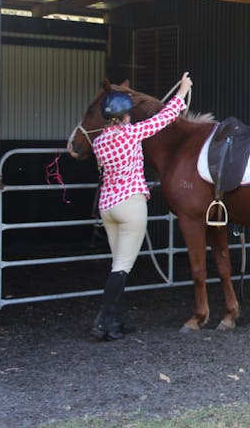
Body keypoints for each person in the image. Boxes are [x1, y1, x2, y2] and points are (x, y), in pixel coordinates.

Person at [90, 72, 193, 341]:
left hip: (108, 206)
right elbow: (165, 118)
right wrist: (182, 91)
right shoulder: (131, 134)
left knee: (118, 265)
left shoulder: (99, 142)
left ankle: (116, 320)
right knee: (122, 267)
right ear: (127, 116)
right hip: (130, 205)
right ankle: (105, 322)